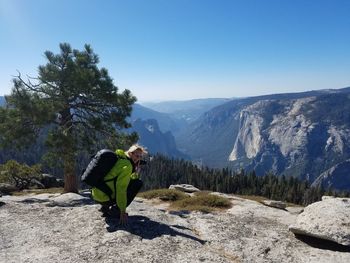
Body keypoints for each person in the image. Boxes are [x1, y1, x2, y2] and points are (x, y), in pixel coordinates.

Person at [91, 144, 147, 226]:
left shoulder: (118, 157)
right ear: (130, 153)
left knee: (111, 181)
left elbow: (121, 179)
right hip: (105, 198)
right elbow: (121, 189)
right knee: (137, 183)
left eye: (140, 157)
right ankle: (115, 211)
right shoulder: (127, 166)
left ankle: (105, 208)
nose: (138, 158)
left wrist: (135, 173)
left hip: (96, 195)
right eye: (137, 156)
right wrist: (122, 211)